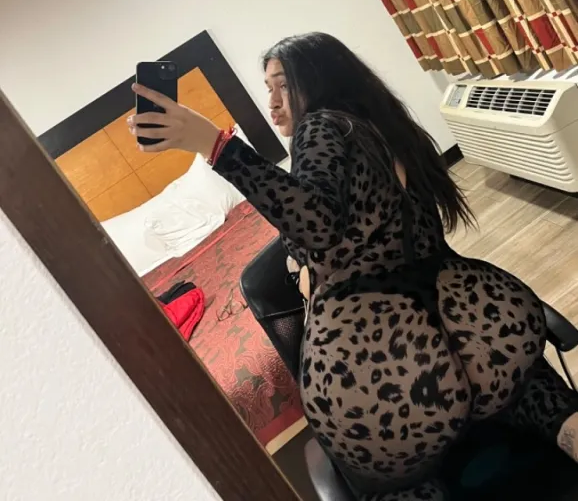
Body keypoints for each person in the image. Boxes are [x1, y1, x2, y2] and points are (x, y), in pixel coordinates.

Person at [128, 33, 578, 500]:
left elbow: (316, 224)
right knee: (541, 399)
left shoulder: (320, 126)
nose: (273, 102)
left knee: (398, 484)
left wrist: (214, 145)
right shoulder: (384, 127)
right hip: (478, 322)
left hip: (394, 366)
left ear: (319, 81)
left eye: (284, 85)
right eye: (268, 89)